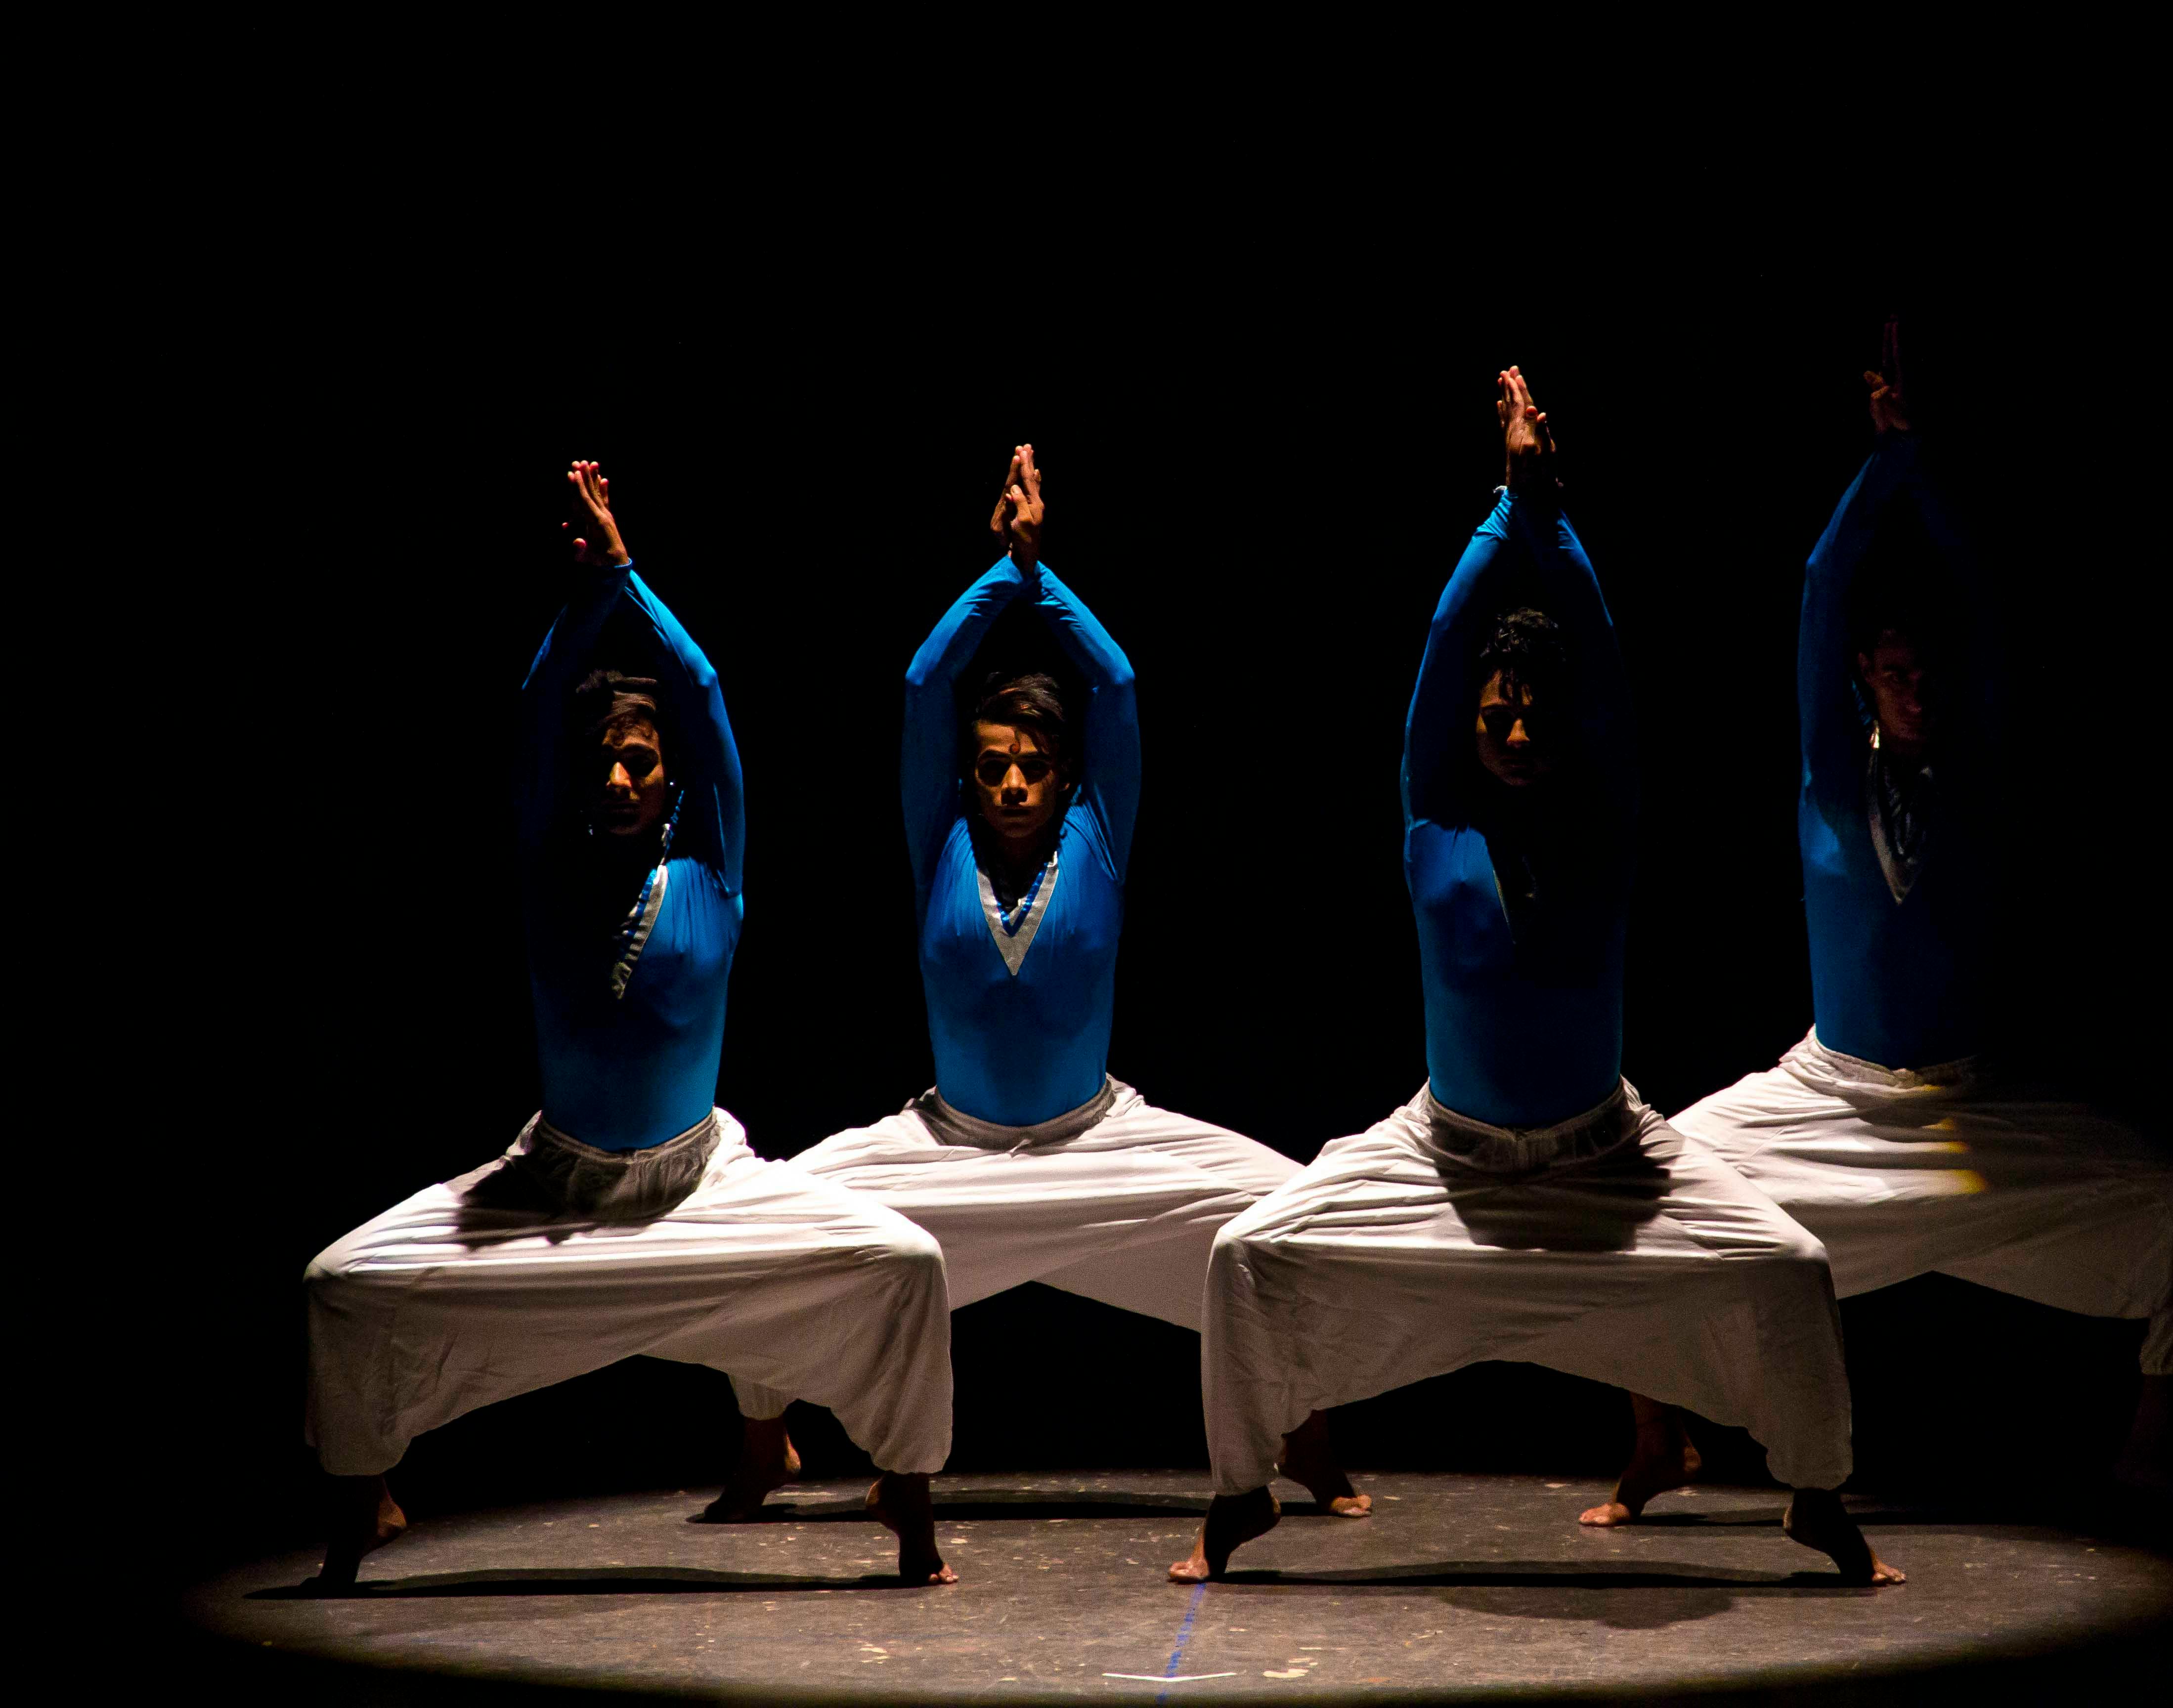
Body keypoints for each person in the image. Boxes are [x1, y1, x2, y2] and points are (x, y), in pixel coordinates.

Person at [1174, 373, 1900, 1585]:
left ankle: (1818, 1497)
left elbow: (1605, 669)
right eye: (1497, 717)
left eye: (1536, 719)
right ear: (1468, 727)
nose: (1515, 735)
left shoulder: (1605, 815)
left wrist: (1550, 518)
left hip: (1604, 1151)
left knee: (1790, 1265)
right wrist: (1502, 514)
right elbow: (1444, 653)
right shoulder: (1431, 822)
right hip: (1439, 1150)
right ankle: (1242, 1494)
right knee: (1249, 1254)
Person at [303, 463, 957, 1589]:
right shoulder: (548, 867)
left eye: (638, 763)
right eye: (603, 760)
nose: (614, 775)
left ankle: (907, 1497)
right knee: (344, 1285)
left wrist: (626, 577)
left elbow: (704, 698)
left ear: (670, 786)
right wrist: (583, 603)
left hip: (702, 1179)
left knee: (901, 1263)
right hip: (552, 1185)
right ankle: (365, 1503)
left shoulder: (715, 869)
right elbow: (533, 716)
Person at [711, 446, 1363, 1524]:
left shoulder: (1098, 839)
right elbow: (925, 685)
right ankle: (762, 1440)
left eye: (1033, 766)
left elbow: (1118, 683)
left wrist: (1040, 574)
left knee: (1281, 1219)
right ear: (966, 774)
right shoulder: (941, 844)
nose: (1011, 781)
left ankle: (1309, 1436)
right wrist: (995, 577)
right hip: (948, 1148)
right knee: (770, 1223)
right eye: (992, 765)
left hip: (1099, 1143)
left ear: (1067, 776)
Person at [1642, 343, 2173, 1511]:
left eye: (1930, 670)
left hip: (1967, 1103)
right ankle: (1663, 1438)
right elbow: (1819, 586)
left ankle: (2152, 1439)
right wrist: (1883, 465)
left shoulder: (1983, 769)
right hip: (1830, 1095)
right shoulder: (1828, 777)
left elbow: (1987, 600)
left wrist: (1933, 477)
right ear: (1865, 676)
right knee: (1644, 1194)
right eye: (1895, 670)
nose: (1918, 687)